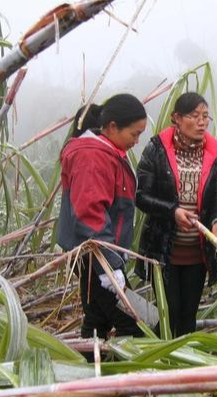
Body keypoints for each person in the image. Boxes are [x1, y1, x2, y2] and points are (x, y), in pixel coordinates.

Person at [135, 92, 217, 337]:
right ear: (176, 118)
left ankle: (185, 368)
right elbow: (141, 196)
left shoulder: (215, 154)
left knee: (188, 315)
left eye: (205, 116)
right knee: (168, 313)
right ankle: (164, 364)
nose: (201, 122)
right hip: (163, 250)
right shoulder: (157, 149)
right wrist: (173, 211)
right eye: (194, 116)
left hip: (197, 252)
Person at [57, 93, 147, 340]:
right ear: (112, 127)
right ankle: (130, 375)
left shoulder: (109, 152)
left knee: (98, 319)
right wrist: (109, 266)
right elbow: (90, 213)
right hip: (94, 254)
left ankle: (92, 373)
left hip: (101, 253)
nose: (137, 141)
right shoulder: (91, 156)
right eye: (134, 134)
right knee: (137, 323)